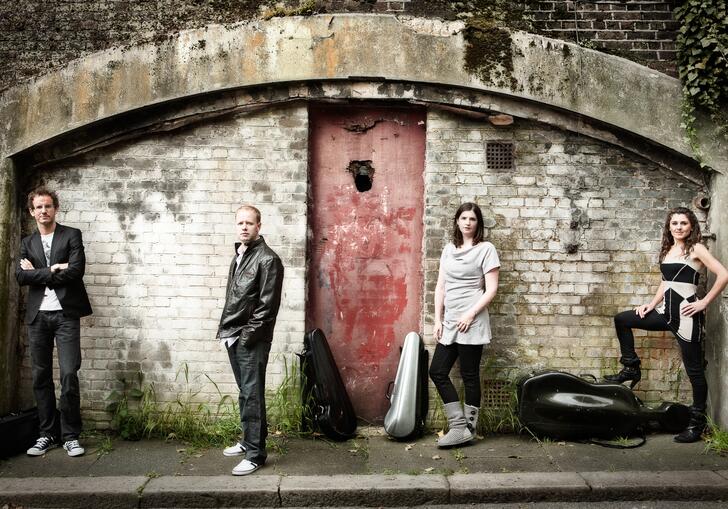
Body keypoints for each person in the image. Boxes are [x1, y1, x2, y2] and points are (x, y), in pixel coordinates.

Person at [604, 206, 728, 443]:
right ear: (669, 227)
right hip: (664, 314)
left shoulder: (697, 248)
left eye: (683, 223)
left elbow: (723, 274)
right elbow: (666, 282)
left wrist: (703, 303)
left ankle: (696, 424)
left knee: (694, 371)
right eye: (674, 223)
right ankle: (631, 367)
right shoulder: (668, 250)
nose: (679, 227)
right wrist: (650, 305)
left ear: (691, 226)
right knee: (623, 319)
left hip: (686, 316)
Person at [16, 187, 92, 457]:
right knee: (41, 376)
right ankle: (47, 434)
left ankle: (71, 435)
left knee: (69, 373)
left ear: (55, 208)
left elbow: (76, 271)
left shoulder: (71, 235)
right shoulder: (27, 243)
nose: (43, 211)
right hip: (38, 317)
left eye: (48, 206)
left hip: (65, 315)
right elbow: (20, 278)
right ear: (31, 211)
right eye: (38, 207)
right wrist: (51, 269)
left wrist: (36, 272)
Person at [217, 205, 284, 475]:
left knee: (253, 394)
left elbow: (267, 308)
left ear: (259, 226)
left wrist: (246, 338)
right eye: (240, 223)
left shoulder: (268, 260)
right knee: (246, 393)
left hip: (251, 339)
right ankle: (248, 442)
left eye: (249, 223)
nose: (244, 227)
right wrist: (231, 334)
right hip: (234, 336)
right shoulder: (240, 255)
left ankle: (256, 454)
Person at [429, 202, 500, 447]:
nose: (468, 222)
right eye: (464, 218)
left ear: (478, 223)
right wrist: (437, 319)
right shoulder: (449, 249)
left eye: (472, 219)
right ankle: (459, 426)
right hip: (449, 321)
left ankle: (469, 428)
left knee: (469, 375)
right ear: (457, 222)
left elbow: (491, 290)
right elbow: (440, 287)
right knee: (437, 371)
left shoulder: (486, 249)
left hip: (472, 321)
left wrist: (470, 314)